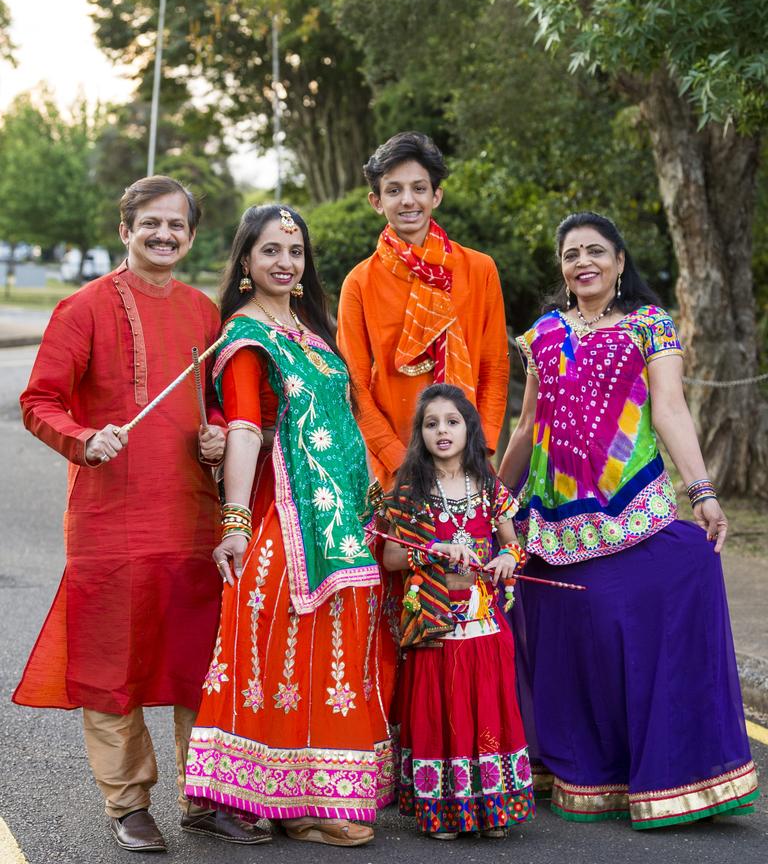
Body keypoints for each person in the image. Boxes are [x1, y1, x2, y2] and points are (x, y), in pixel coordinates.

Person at [15, 176, 266, 852]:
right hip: (109, 522)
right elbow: (39, 401)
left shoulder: (205, 317)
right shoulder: (82, 308)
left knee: (198, 663)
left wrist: (216, 433)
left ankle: (205, 797)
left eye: (176, 226)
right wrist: (84, 439)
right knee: (110, 665)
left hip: (190, 517)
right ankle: (127, 803)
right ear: (125, 230)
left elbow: (215, 404)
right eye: (150, 224)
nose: (164, 235)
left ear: (189, 236)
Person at [500, 211, 759, 829]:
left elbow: (670, 409)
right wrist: (490, 500)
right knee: (570, 645)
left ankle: (675, 770)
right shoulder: (541, 336)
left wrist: (702, 492)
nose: (582, 262)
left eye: (596, 251)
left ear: (619, 263)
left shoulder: (650, 326)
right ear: (563, 271)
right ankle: (582, 773)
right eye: (571, 254)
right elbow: (528, 426)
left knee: (671, 594)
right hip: (554, 519)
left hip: (631, 509)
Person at [184, 204, 395, 847]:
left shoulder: (310, 330)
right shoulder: (246, 336)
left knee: (337, 648)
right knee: (282, 651)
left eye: (295, 251)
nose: (284, 261)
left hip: (343, 521)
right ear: (245, 261)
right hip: (286, 521)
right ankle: (261, 795)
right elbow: (245, 428)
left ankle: (314, 793)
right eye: (270, 250)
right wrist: (238, 523)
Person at [381, 383, 535, 840]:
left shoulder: (488, 484)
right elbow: (391, 557)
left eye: (452, 422)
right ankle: (444, 811)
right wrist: (433, 548)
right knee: (439, 710)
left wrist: (509, 557)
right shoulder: (409, 490)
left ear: (469, 429)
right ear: (420, 434)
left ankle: (493, 807)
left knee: (488, 708)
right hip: (433, 622)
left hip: (484, 621)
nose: (442, 431)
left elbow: (512, 544)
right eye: (431, 424)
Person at [337, 132, 509, 492]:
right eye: (394, 190)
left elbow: (494, 367)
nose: (408, 200)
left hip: (470, 461)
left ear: (437, 195)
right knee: (398, 551)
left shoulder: (479, 269)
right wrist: (400, 462)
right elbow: (354, 387)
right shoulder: (360, 283)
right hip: (396, 469)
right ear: (376, 201)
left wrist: (482, 445)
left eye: (419, 188)